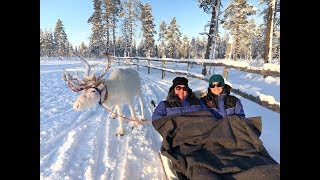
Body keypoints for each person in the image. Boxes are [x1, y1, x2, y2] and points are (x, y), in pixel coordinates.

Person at [152, 77, 220, 120]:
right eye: (178, 88)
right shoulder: (165, 104)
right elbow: (156, 119)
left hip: (199, 135)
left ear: (187, 90)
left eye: (184, 88)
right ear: (173, 89)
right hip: (178, 137)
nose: (181, 91)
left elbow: (209, 115)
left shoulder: (197, 102)